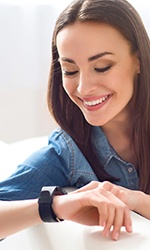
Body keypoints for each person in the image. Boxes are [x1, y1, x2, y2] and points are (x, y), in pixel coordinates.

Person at [0, 0, 150, 241]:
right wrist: (56, 205)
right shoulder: (68, 151)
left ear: (138, 60)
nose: (83, 88)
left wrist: (136, 200)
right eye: (70, 70)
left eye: (102, 67)